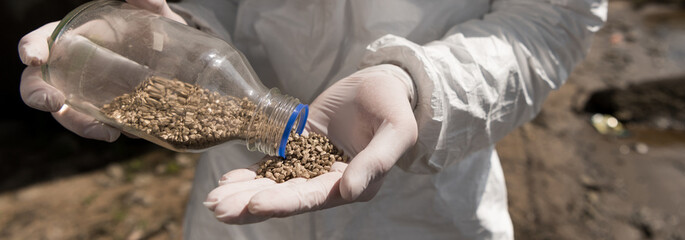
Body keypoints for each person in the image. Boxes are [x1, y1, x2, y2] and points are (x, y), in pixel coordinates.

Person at [18, 0, 607, 239]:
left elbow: (549, 20)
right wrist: (174, 28)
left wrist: (418, 86)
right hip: (241, 199)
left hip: (429, 203)